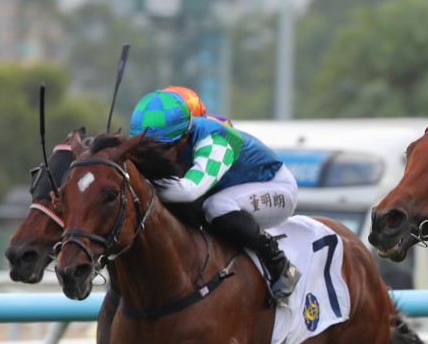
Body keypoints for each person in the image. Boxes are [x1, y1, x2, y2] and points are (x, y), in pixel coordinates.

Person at [128, 89, 300, 302]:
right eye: (143, 147)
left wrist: (139, 185)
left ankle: (279, 263)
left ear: (183, 139)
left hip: (276, 188)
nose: (150, 155)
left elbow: (188, 190)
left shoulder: (215, 142)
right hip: (234, 190)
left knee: (216, 206)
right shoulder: (177, 138)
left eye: (158, 148)